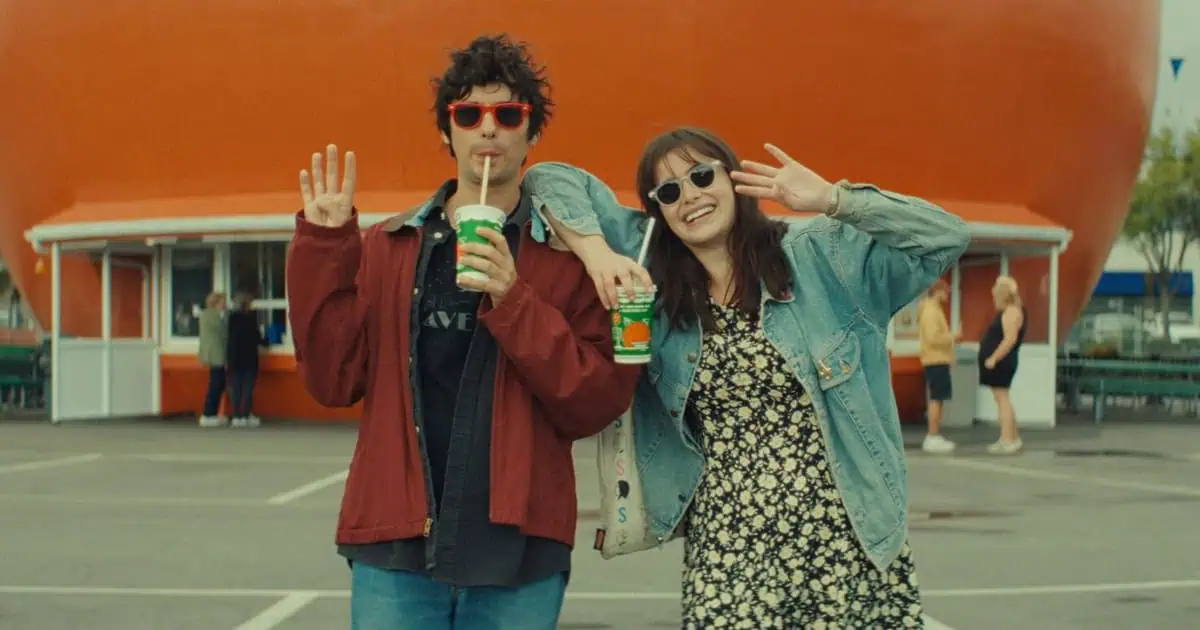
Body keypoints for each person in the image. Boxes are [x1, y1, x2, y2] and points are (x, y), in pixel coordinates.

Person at [522, 127, 970, 628]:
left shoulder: (821, 257)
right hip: (728, 550)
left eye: (701, 175)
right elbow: (548, 178)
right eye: (668, 191)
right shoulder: (655, 272)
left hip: (846, 543)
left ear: (733, 179)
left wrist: (835, 199)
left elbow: (947, 236)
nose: (689, 196)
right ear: (659, 211)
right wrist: (597, 254)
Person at [285, 34, 639, 630]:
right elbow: (332, 380)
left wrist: (513, 299)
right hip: (396, 544)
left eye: (508, 114)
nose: (488, 128)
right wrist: (324, 247)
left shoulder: (568, 262)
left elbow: (595, 402)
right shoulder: (390, 246)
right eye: (469, 114)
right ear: (447, 132)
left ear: (531, 133)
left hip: (517, 550)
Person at [979, 275, 1027, 454]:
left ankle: (1008, 440)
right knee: (1002, 398)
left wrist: (994, 358)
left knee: (1002, 399)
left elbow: (1010, 339)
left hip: (1002, 362)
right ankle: (1012, 438)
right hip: (1002, 361)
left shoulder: (1012, 312)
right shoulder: (1010, 310)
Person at [918, 279, 957, 454]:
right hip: (936, 360)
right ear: (938, 292)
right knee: (936, 398)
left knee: (938, 398)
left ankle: (935, 434)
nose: (947, 295)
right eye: (945, 291)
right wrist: (953, 336)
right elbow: (933, 338)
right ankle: (932, 436)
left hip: (938, 360)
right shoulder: (930, 311)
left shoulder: (933, 309)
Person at [226, 292, 268, 427]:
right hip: (249, 358)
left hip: (234, 358)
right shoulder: (250, 319)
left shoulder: (231, 319)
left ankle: (236, 416)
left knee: (236, 388)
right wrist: (267, 341)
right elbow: (257, 338)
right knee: (248, 388)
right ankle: (246, 414)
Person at [196, 291, 228, 427]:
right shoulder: (214, 316)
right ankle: (209, 414)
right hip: (216, 354)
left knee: (217, 383)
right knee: (216, 384)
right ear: (216, 303)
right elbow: (223, 333)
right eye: (222, 302)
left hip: (210, 353)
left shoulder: (204, 315)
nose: (225, 305)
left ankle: (211, 414)